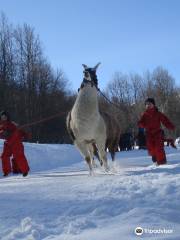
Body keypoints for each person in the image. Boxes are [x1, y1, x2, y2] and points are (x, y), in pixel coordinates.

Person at [138, 98, 175, 165]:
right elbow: (141, 122)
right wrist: (141, 124)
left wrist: (170, 126)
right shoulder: (144, 115)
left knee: (159, 147)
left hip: (157, 133)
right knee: (151, 147)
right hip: (149, 134)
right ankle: (154, 156)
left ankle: (162, 161)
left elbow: (165, 120)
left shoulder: (158, 113)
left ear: (153, 105)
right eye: (146, 104)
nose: (148, 105)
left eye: (150, 104)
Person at [0, 111, 30, 177]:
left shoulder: (12, 124)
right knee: (4, 156)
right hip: (8, 143)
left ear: (8, 117)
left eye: (5, 117)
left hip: (16, 142)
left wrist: (25, 135)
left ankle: (25, 171)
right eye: (2, 117)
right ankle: (6, 171)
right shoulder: (1, 125)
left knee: (18, 156)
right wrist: (3, 133)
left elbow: (21, 130)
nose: (3, 118)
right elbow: (1, 133)